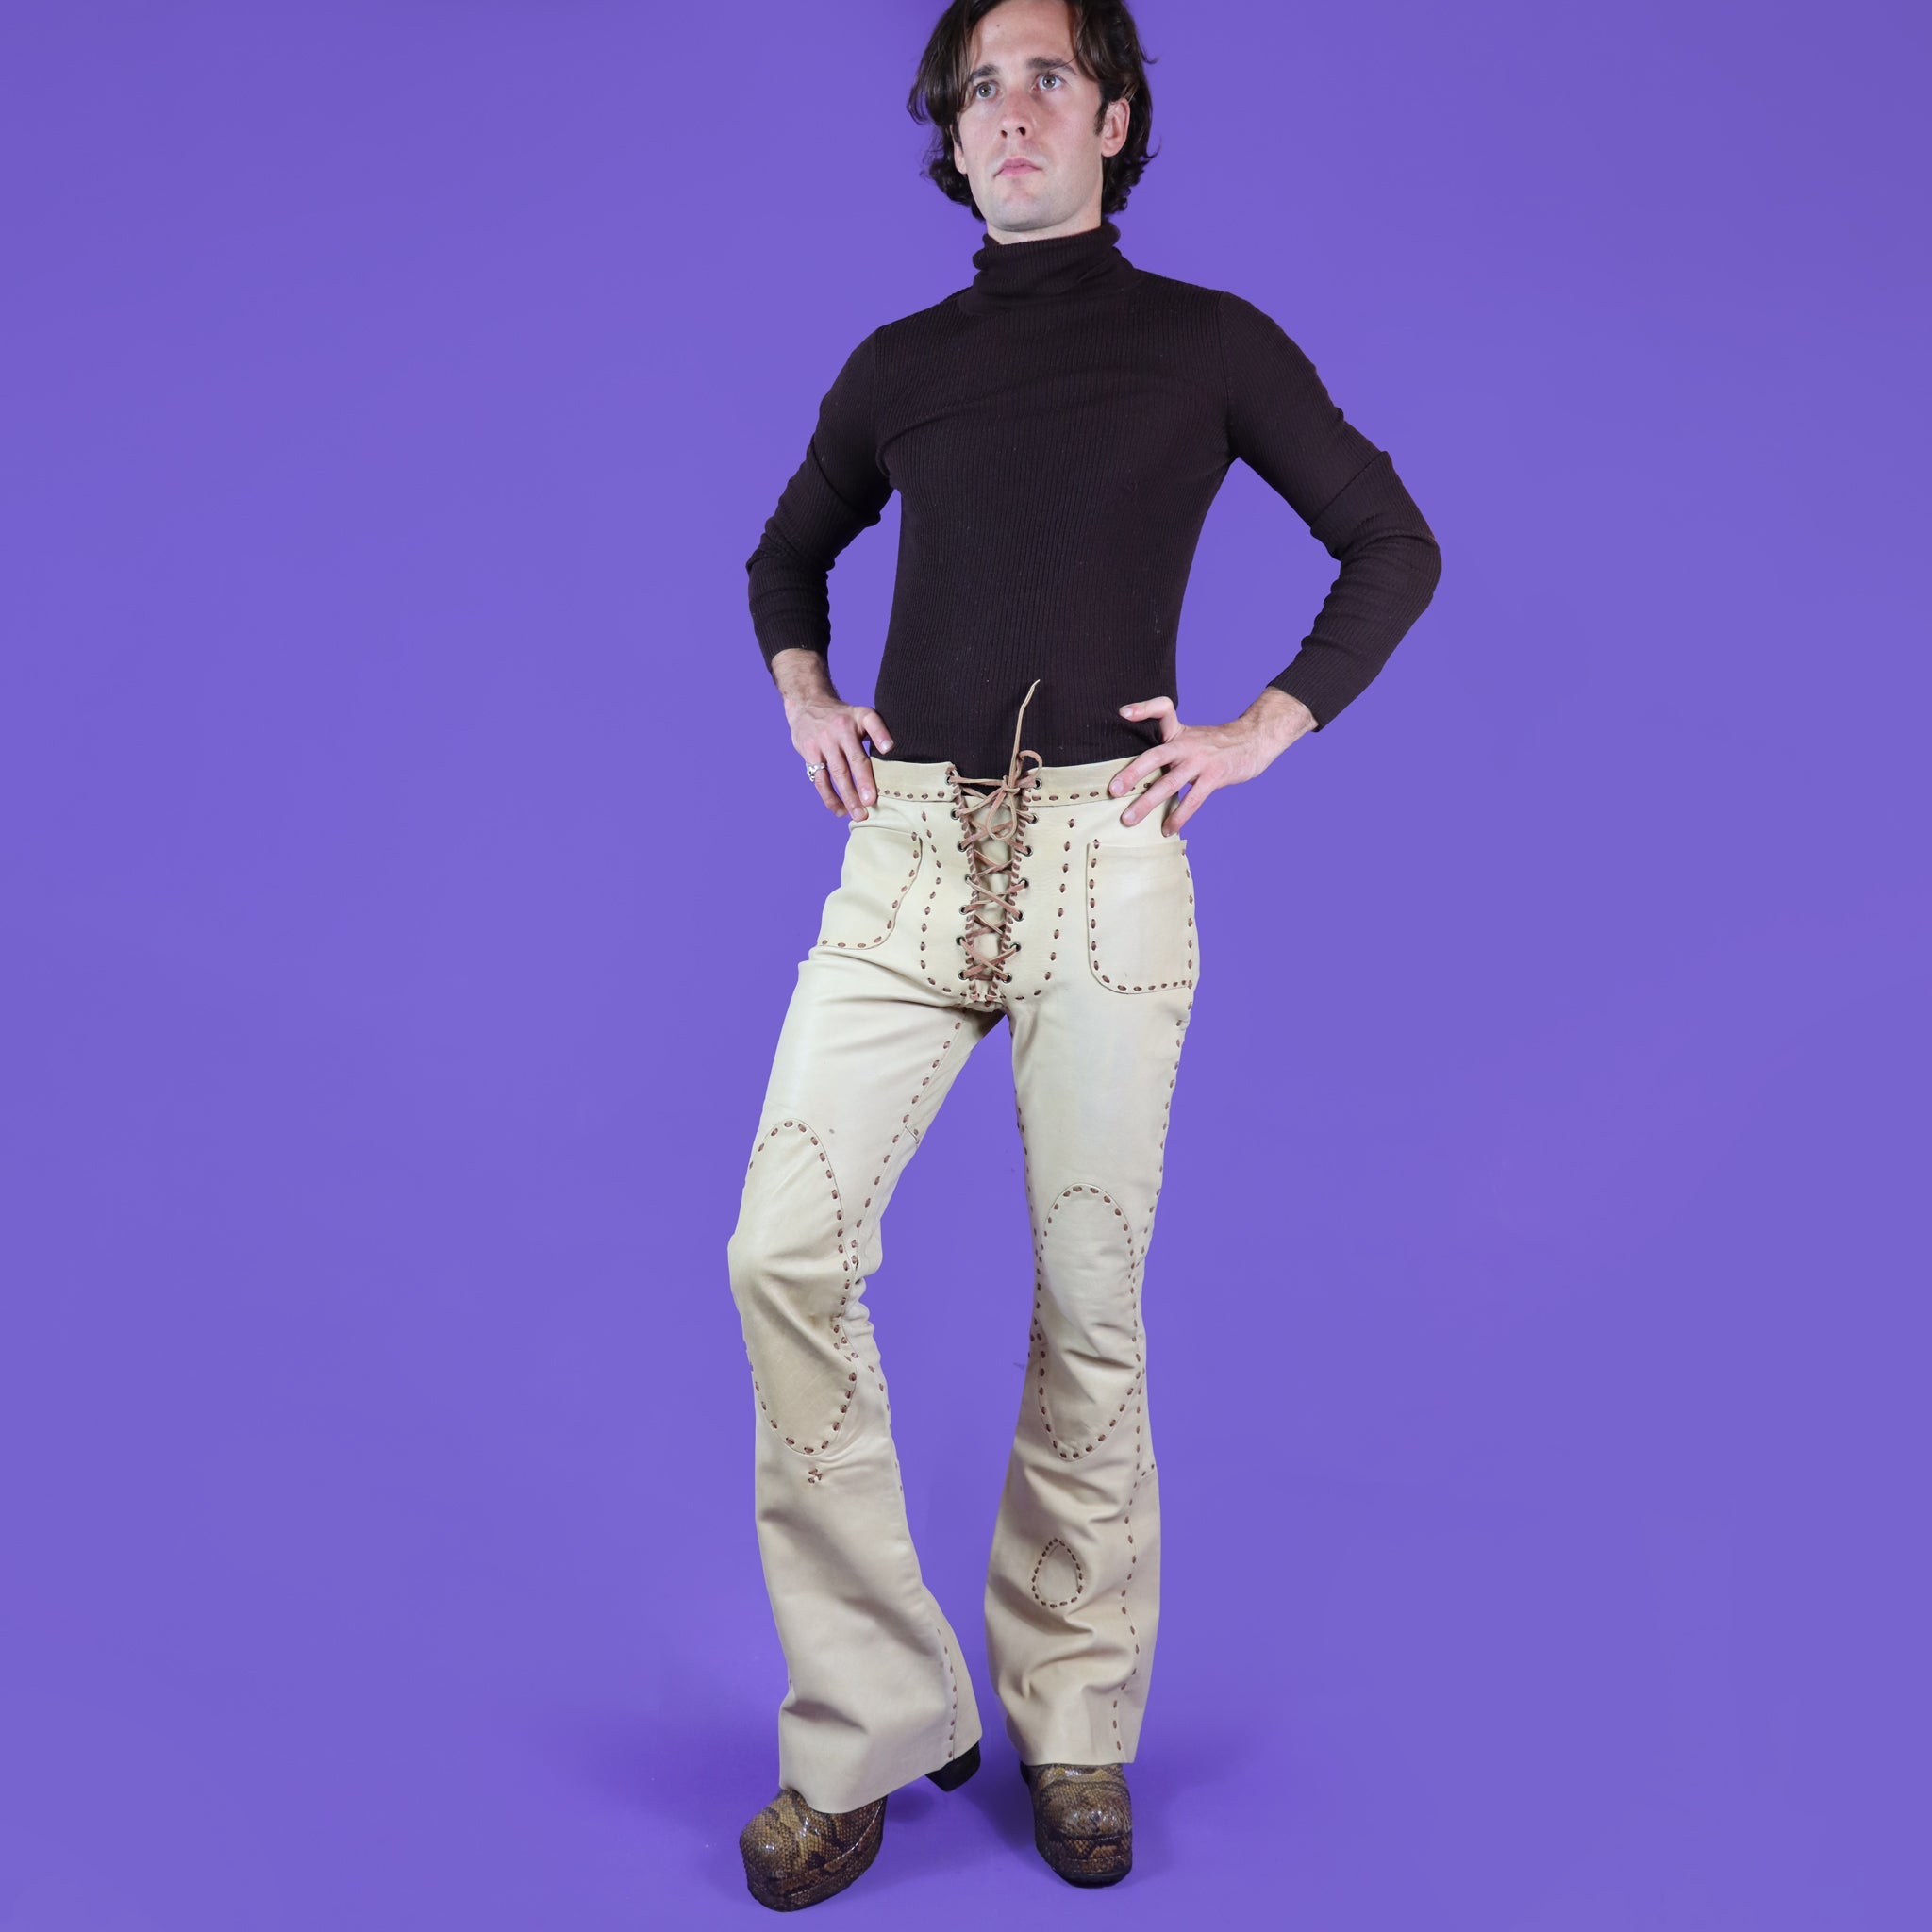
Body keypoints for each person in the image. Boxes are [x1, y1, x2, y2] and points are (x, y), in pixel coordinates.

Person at [727, 0, 1441, 1908]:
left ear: (1115, 119)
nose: (1010, 109)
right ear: (951, 135)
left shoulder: (1207, 344)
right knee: (781, 1252)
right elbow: (785, 557)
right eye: (979, 87)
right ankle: (875, 1715)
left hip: (1102, 865)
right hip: (904, 860)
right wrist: (805, 692)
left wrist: (1260, 730)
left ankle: (1073, 1721)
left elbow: (1390, 542)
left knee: (1090, 1302)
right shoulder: (898, 367)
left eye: (1048, 75)